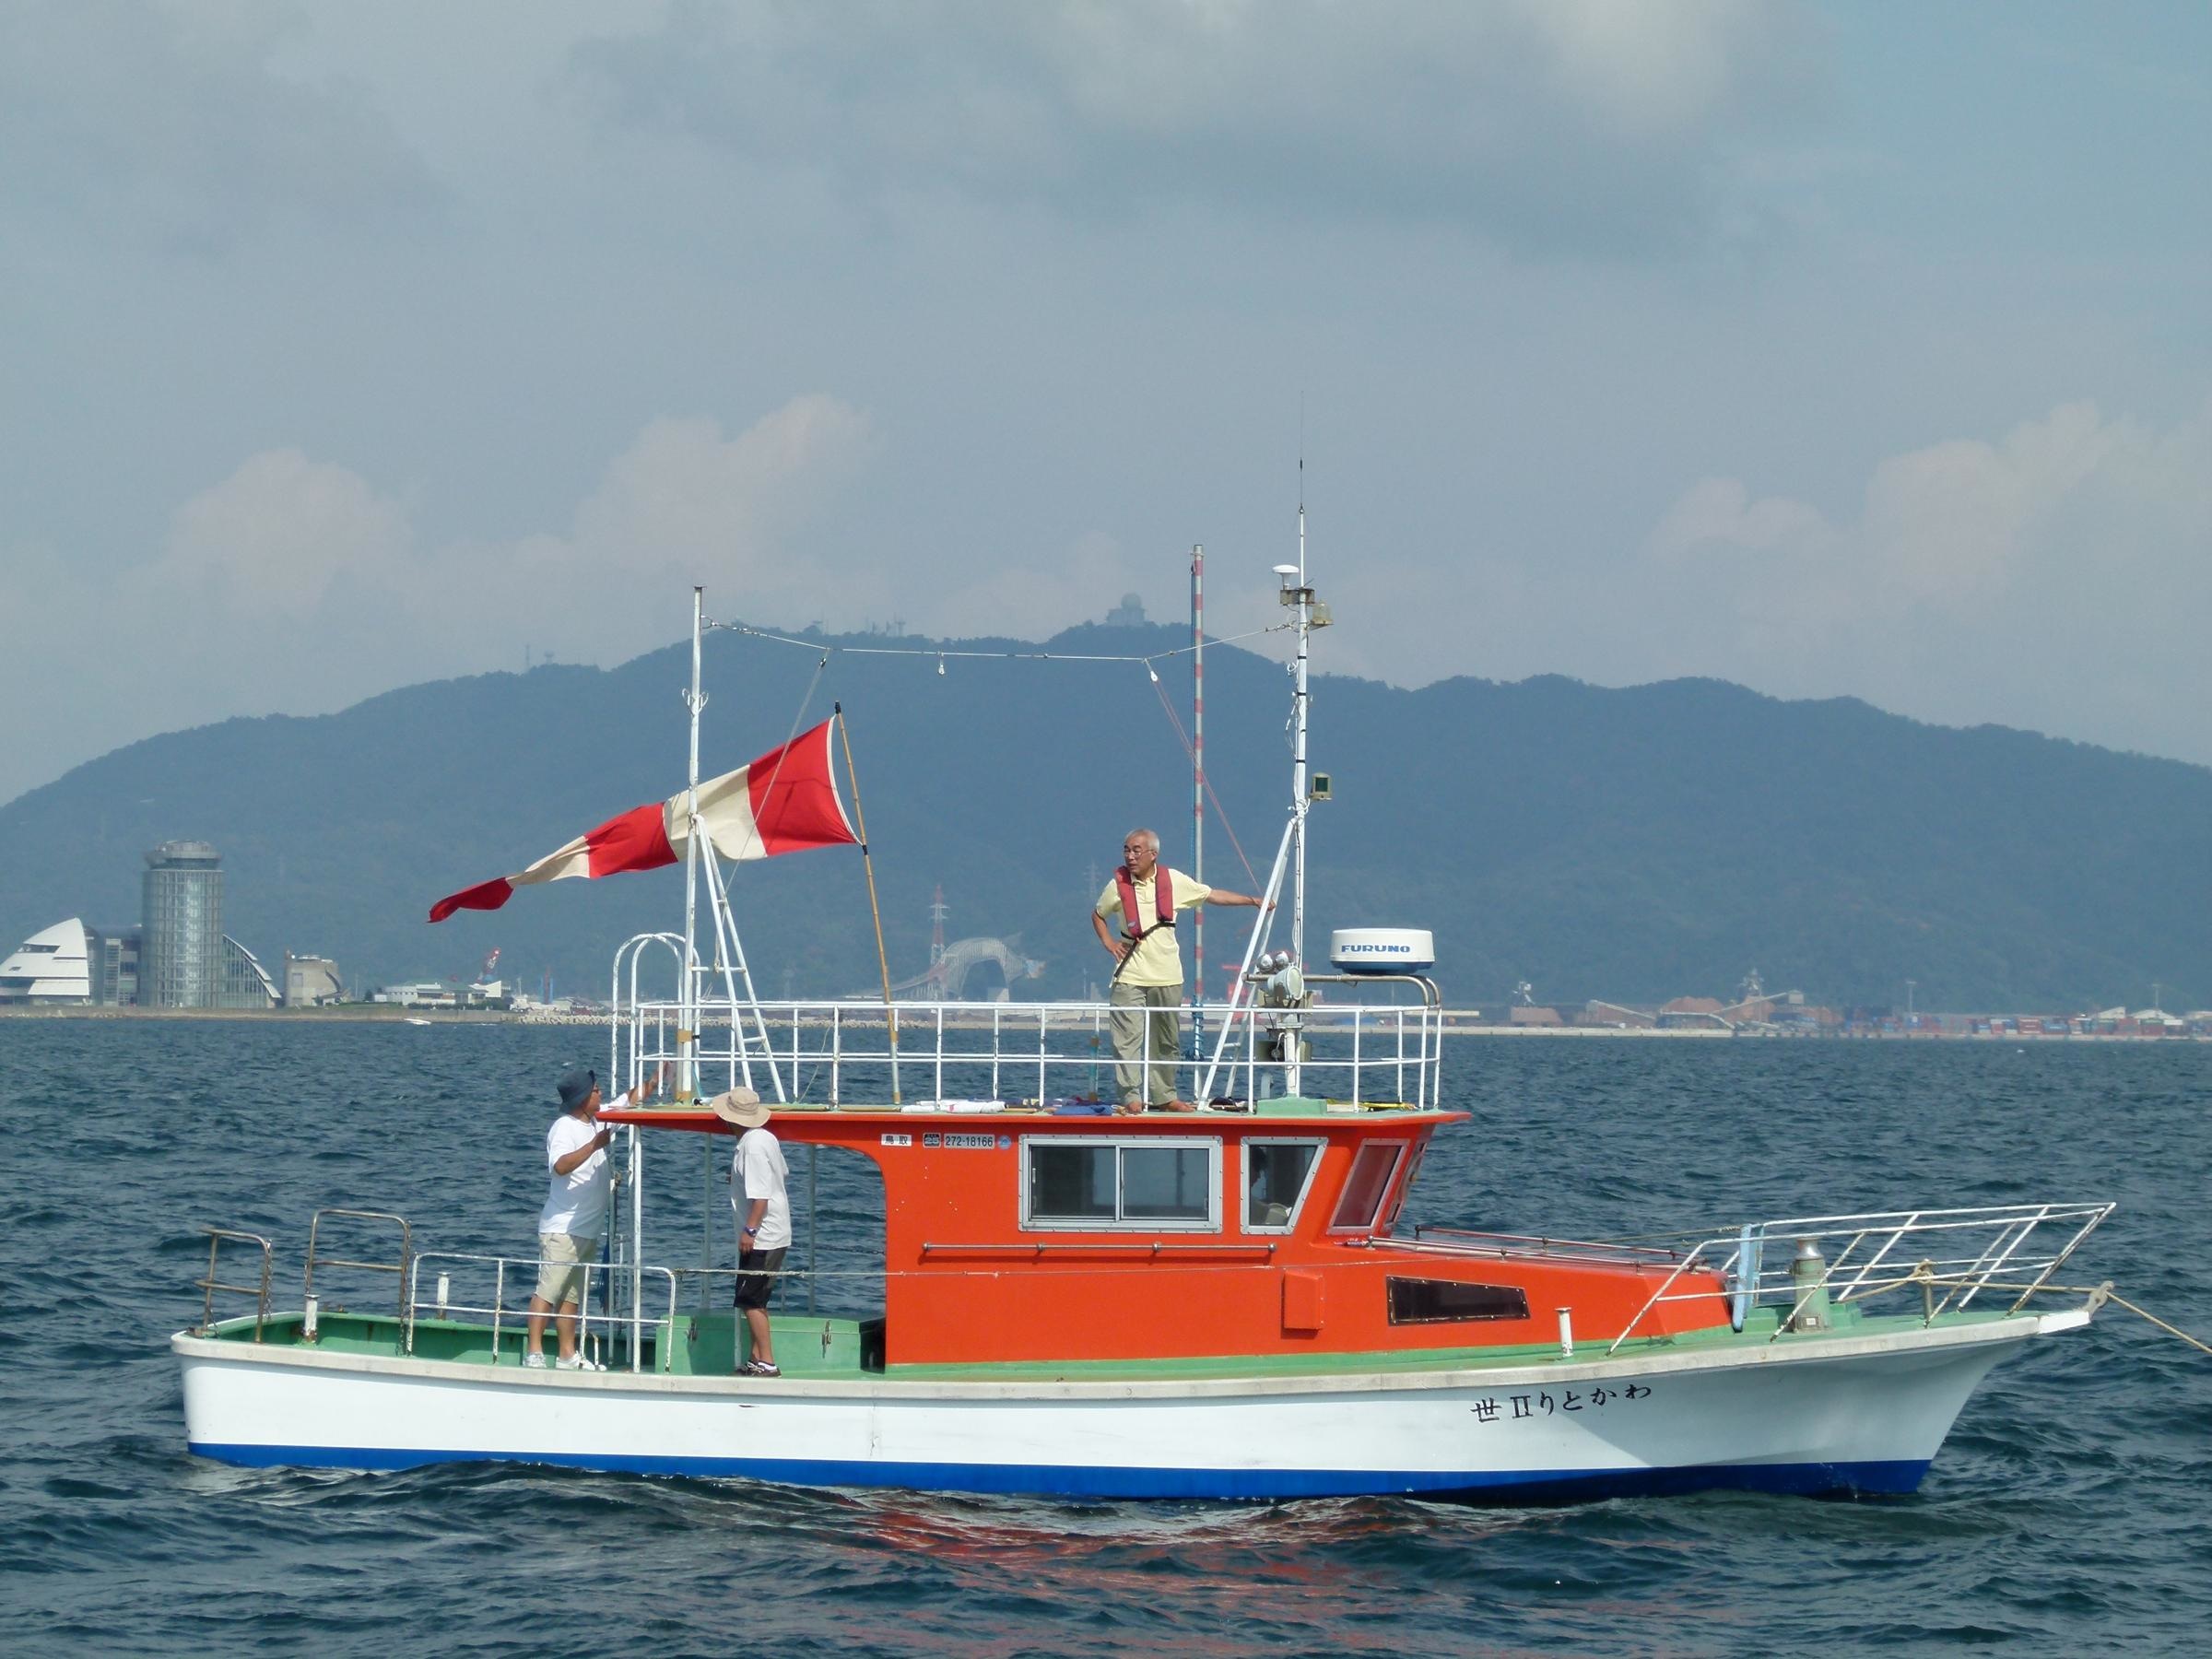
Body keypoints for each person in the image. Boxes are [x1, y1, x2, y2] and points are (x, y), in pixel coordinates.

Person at [1090, 828, 1268, 1112]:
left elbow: (1211, 895)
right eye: (1126, 850)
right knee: (1126, 1040)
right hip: (1129, 974)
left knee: (1166, 1040)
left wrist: (1252, 901)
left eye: (1136, 850)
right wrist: (1109, 943)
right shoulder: (1117, 885)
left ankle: (1165, 1096)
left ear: (1153, 854)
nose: (1130, 856)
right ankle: (1131, 1097)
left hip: (1168, 975)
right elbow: (1098, 914)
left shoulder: (1173, 881)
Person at [525, 1062, 666, 1371]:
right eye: (596, 1090)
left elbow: (626, 1101)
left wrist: (653, 1082)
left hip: (587, 1230)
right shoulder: (564, 1127)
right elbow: (559, 1166)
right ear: (581, 1098)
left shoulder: (596, 1121)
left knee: (571, 1297)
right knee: (548, 1291)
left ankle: (566, 1355)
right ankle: (534, 1351)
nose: (601, 1093)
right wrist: (593, 1146)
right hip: (563, 1228)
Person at [711, 1087, 789, 1378]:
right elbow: (779, 1174)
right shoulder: (765, 1138)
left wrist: (750, 1230)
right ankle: (756, 1359)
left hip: (763, 1236)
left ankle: (768, 1361)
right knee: (757, 1299)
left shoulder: (751, 1146)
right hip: (774, 1234)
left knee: (750, 1300)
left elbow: (761, 1197)